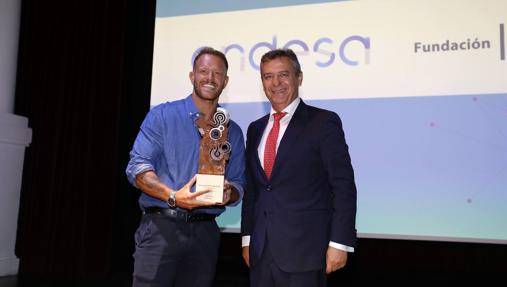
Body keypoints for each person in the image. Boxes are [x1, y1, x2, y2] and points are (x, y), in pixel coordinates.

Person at [126, 47, 245, 287]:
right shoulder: (162, 116)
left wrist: (229, 192)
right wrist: (173, 196)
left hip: (205, 234)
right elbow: (137, 168)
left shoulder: (233, 132)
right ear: (192, 76)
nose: (210, 78)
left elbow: (239, 183)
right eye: (203, 71)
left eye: (217, 73)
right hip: (161, 229)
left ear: (226, 81)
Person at [241, 48, 357, 287]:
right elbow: (254, 189)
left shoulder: (323, 122)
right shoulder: (255, 128)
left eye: (283, 74)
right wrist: (247, 239)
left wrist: (339, 243)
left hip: (305, 254)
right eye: (267, 76)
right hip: (261, 253)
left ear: (299, 77)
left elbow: (343, 187)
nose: (276, 83)